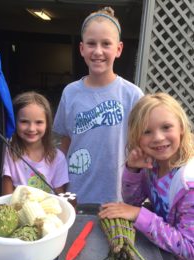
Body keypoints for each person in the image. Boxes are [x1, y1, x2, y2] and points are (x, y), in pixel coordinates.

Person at [99, 93, 194, 260]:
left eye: (166, 127)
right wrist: (133, 170)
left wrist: (139, 214)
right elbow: (132, 202)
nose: (158, 137)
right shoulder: (155, 165)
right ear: (136, 137)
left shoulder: (189, 184)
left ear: (181, 127)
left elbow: (190, 249)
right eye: (147, 132)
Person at [53, 7, 143, 204]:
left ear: (118, 49)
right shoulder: (70, 92)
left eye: (106, 44)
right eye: (91, 43)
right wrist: (57, 184)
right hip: (76, 195)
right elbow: (65, 142)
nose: (98, 51)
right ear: (82, 48)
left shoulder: (133, 95)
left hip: (118, 197)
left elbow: (141, 146)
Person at [2, 91, 69, 195]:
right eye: (24, 122)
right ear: (14, 122)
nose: (31, 129)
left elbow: (60, 194)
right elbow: (6, 197)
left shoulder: (58, 158)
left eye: (39, 122)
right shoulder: (8, 154)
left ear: (47, 124)